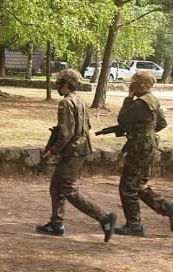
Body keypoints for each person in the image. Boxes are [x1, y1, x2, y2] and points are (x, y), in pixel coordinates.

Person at [35, 68, 118, 242]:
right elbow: (86, 126)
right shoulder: (79, 101)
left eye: (60, 82)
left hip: (72, 151)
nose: (57, 85)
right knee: (56, 185)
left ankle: (104, 217)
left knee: (68, 189)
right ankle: (56, 223)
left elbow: (67, 132)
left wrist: (53, 150)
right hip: (79, 148)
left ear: (66, 84)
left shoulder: (65, 103)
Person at [110, 71, 173, 236]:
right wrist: (146, 131)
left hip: (139, 148)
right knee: (139, 185)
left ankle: (134, 225)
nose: (130, 86)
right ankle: (168, 208)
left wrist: (128, 98)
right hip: (148, 147)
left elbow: (122, 119)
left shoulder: (140, 103)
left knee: (127, 187)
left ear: (141, 85)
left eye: (133, 84)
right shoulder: (153, 100)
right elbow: (162, 123)